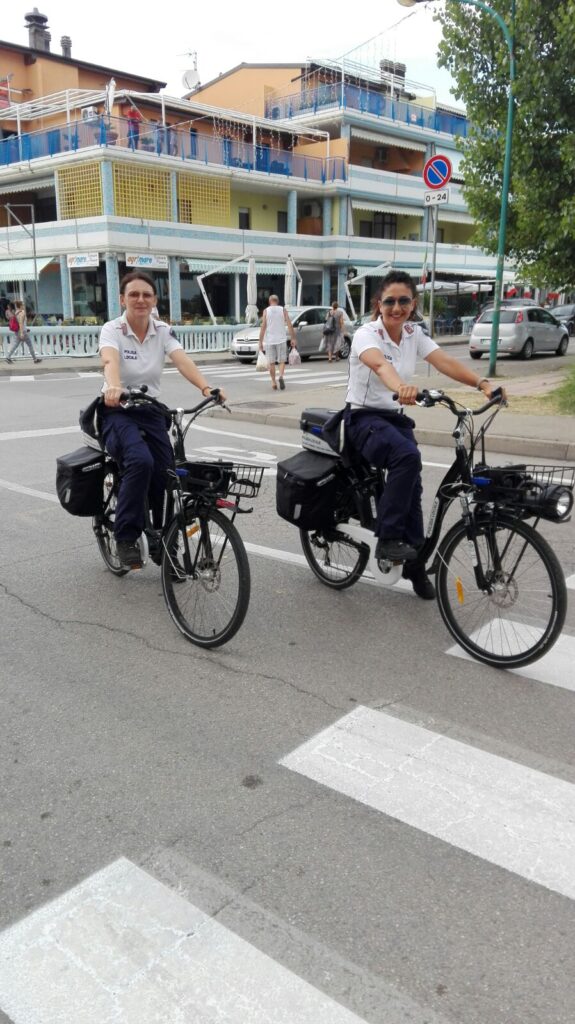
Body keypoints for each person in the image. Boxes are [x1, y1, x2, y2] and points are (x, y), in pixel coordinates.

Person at [344, 270, 499, 600]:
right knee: (407, 457)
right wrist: (401, 387)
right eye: (390, 301)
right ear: (378, 305)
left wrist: (482, 384)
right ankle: (388, 540)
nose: (396, 308)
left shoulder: (414, 333)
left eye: (403, 301)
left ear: (413, 304)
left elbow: (443, 361)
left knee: (412, 485)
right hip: (362, 418)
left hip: (394, 420)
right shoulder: (365, 334)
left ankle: (414, 566)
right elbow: (379, 366)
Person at [98, 271, 225, 569]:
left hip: (151, 410)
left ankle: (164, 541)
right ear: (122, 299)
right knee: (140, 461)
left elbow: (182, 360)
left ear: (155, 300)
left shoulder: (163, 331)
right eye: (134, 295)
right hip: (117, 410)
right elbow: (109, 360)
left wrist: (207, 388)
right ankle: (126, 537)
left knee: (168, 473)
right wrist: (114, 386)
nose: (140, 300)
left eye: (146, 295)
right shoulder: (112, 329)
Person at [258, 294, 297, 391]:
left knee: (271, 363)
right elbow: (289, 324)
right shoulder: (283, 310)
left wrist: (260, 341)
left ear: (269, 301)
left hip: (270, 340)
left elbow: (263, 327)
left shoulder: (266, 311)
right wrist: (293, 338)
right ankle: (281, 376)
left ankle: (273, 382)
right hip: (281, 339)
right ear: (278, 301)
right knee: (282, 361)